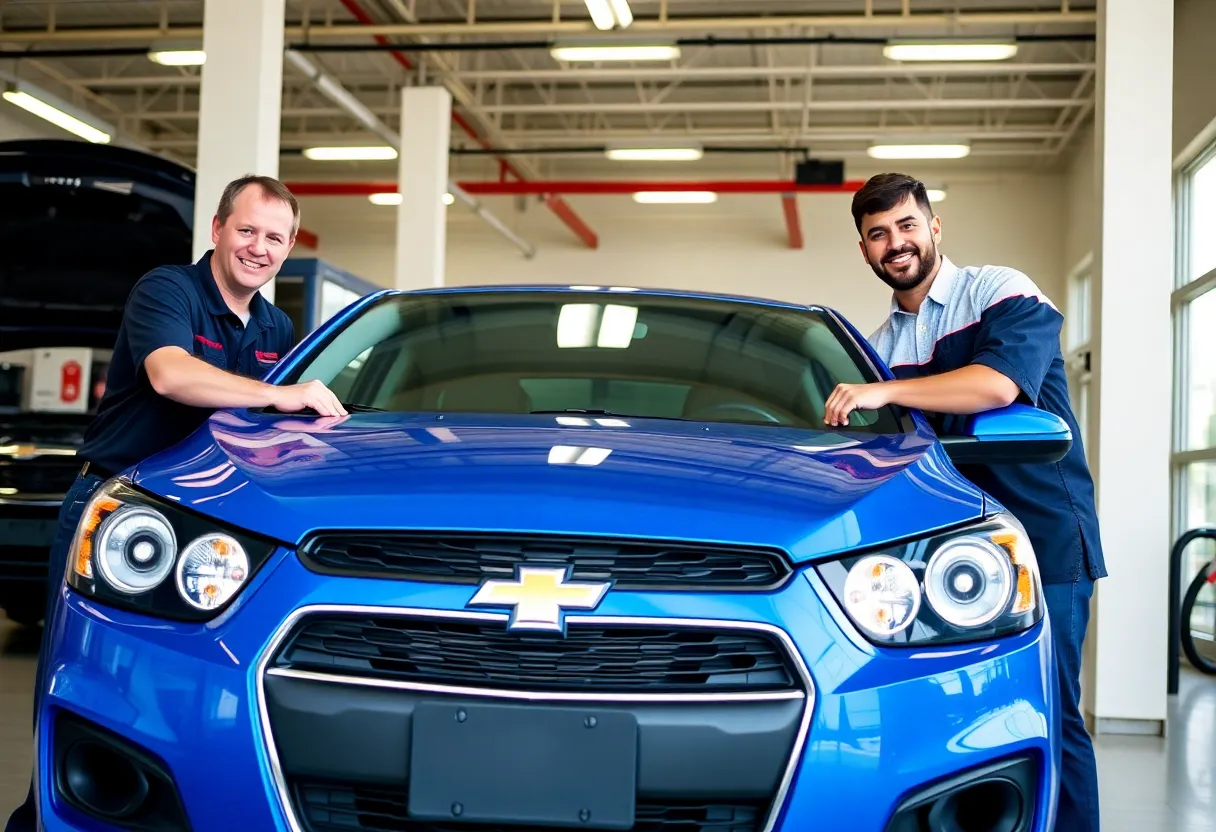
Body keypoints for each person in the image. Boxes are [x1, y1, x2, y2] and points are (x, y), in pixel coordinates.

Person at [5, 174, 346, 832]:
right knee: (76, 677)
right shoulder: (169, 290)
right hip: (112, 513)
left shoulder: (275, 325)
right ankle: (41, 819)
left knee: (177, 688)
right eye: (246, 230)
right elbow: (169, 373)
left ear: (290, 246)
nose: (259, 247)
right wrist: (282, 394)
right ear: (216, 231)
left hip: (206, 528)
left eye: (275, 237)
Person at [825, 172, 1106, 832]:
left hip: (1043, 539)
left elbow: (998, 387)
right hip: (948, 558)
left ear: (934, 228)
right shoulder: (881, 349)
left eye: (905, 225)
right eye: (877, 235)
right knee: (955, 722)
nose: (895, 243)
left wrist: (885, 394)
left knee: (1050, 711)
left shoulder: (999, 290)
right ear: (865, 251)